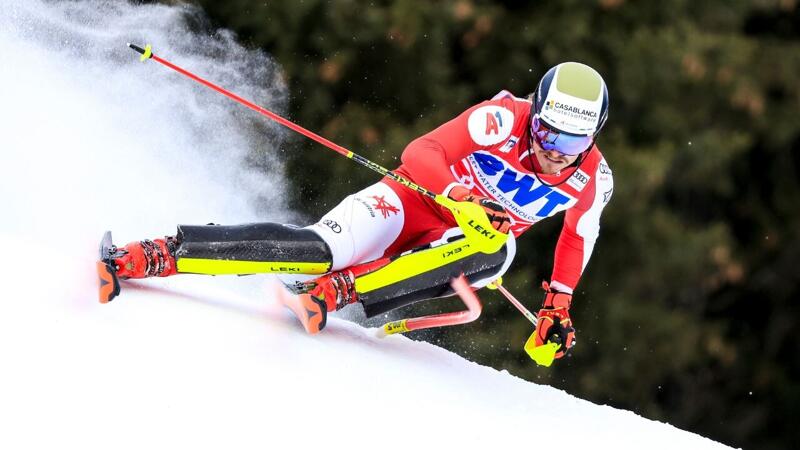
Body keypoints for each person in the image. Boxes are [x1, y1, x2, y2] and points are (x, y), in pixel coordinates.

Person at [102, 61, 613, 362]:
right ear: (535, 113)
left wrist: (557, 309)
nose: (556, 151)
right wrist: (461, 198)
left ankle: (335, 294)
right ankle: (150, 255)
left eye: (574, 140)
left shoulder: (594, 179)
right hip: (410, 202)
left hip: (457, 248)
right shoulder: (500, 119)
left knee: (498, 249)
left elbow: (575, 238)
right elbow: (420, 154)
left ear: (594, 135)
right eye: (548, 132)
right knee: (315, 250)